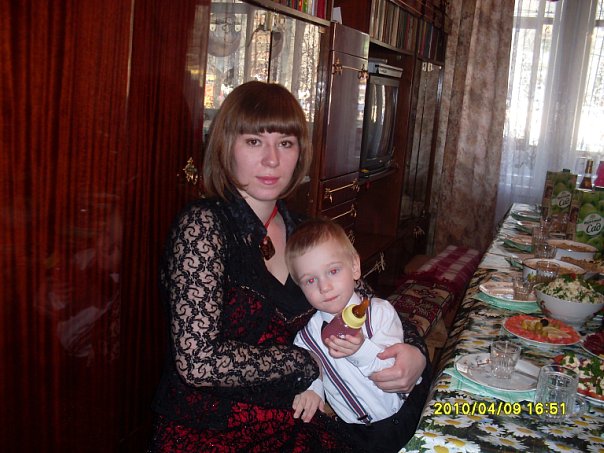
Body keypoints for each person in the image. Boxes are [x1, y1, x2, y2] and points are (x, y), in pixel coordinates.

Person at [148, 81, 429, 452]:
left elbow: (362, 303)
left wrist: (415, 353)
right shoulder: (202, 226)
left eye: (285, 143)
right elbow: (198, 362)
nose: (271, 160)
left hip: (300, 418)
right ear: (226, 146)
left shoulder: (304, 232)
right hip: (212, 430)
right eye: (254, 141)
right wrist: (308, 361)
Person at [286, 218, 426, 452]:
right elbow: (312, 369)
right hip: (357, 434)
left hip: (407, 413)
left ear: (354, 267)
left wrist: (361, 350)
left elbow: (393, 367)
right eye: (310, 280)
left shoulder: (379, 313)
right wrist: (313, 389)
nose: (324, 287)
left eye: (333, 271)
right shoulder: (307, 337)